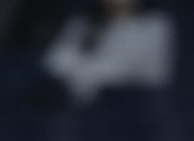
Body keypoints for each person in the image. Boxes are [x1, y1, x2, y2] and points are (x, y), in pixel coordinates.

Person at [41, 0, 175, 106]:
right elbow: (55, 60)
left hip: (132, 104)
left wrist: (91, 72)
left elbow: (155, 73)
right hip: (82, 105)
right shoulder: (83, 23)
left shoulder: (154, 26)